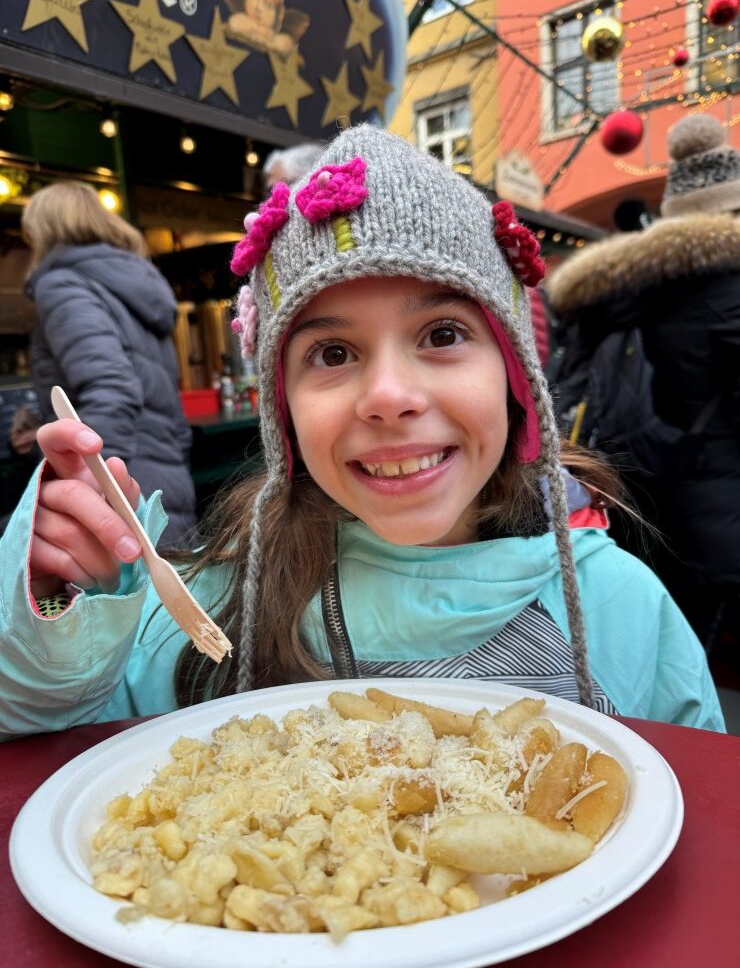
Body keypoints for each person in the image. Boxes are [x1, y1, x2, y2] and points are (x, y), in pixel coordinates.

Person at [0, 125, 723, 739]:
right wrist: (54, 607)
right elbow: (51, 730)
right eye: (333, 353)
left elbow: (698, 822)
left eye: (442, 333)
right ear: (282, 409)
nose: (388, 396)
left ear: (514, 379)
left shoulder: (622, 608)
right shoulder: (209, 605)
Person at [546, 113, 740, 651]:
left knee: (663, 644)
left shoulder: (626, 289)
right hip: (721, 499)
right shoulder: (726, 289)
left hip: (641, 488)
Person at [21, 180, 196, 548]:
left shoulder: (61, 285)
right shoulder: (135, 284)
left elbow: (112, 388)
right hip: (167, 479)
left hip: (119, 493)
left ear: (43, 229)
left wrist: (74, 484)